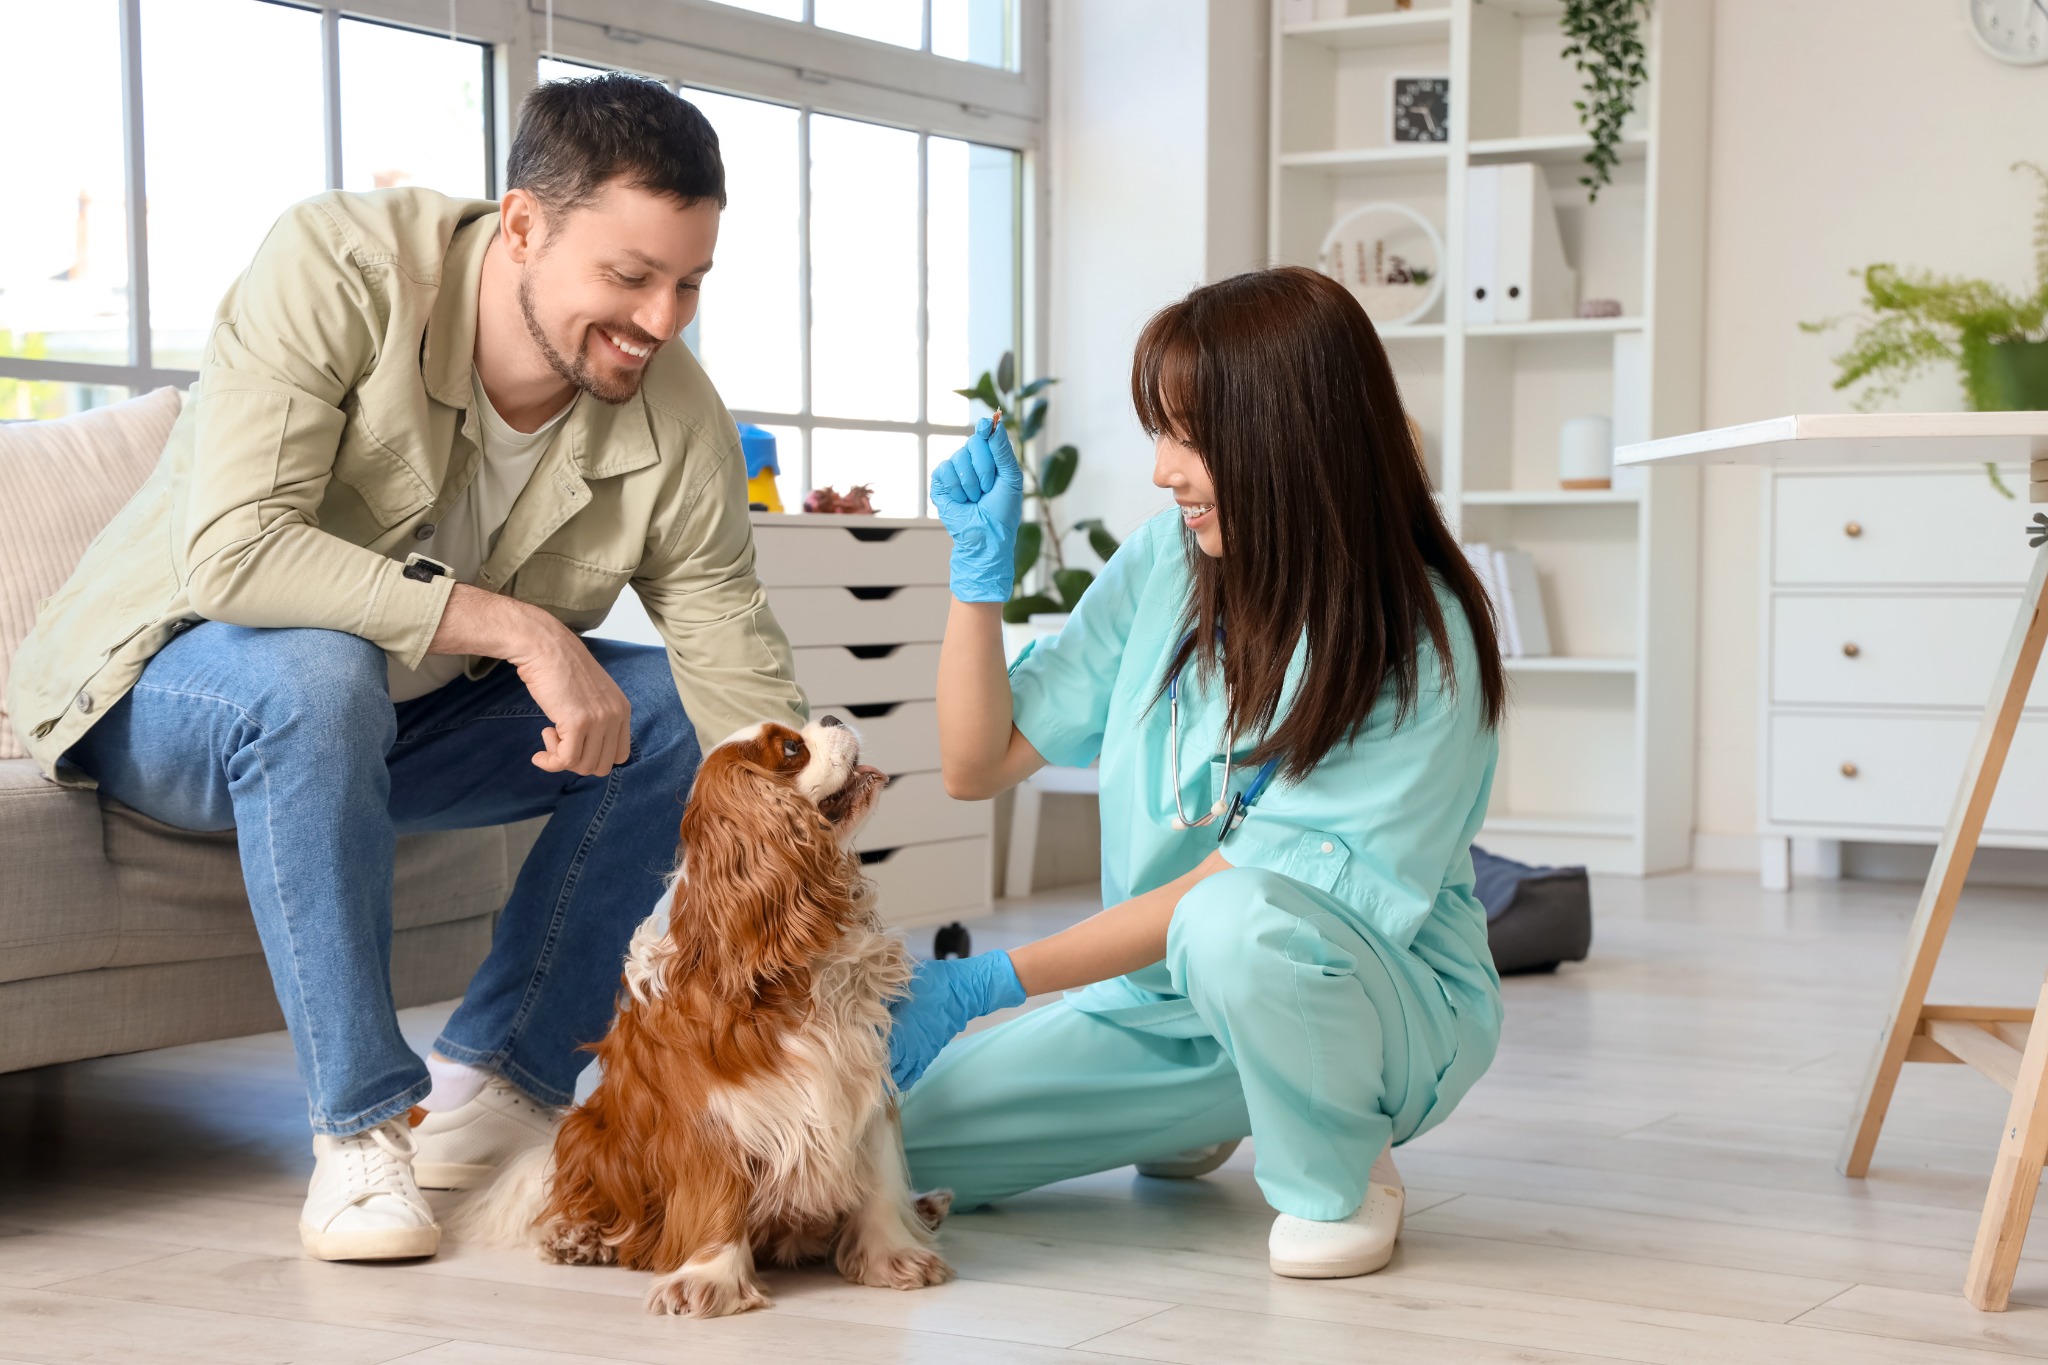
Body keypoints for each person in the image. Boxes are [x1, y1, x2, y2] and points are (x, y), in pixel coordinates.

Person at [4, 75, 804, 1262]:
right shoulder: (337, 267)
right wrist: (533, 634)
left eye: (688, 282)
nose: (662, 318)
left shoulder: (671, 409)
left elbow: (734, 656)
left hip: (402, 731)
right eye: (629, 278)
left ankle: (501, 1088)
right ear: (521, 224)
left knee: (674, 719)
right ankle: (360, 1132)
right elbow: (237, 556)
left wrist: (816, 915)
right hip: (169, 691)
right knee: (319, 672)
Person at [886, 266, 1506, 1279]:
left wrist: (988, 982)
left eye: (1188, 437)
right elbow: (975, 763)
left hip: (1367, 1001)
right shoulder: (1170, 563)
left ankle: (1338, 1165)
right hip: (1159, 998)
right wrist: (975, 585)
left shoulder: (1420, 637)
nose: (1162, 472)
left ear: (1288, 438)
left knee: (1238, 931)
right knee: (887, 1143)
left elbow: (1251, 895)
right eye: (1159, 435)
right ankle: (1214, 1100)